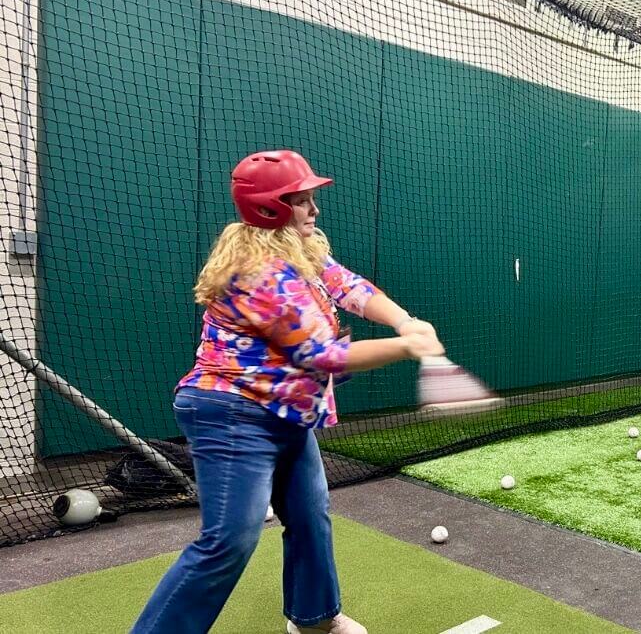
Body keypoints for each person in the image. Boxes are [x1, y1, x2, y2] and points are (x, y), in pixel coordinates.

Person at [133, 150, 443, 634]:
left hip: (284, 412)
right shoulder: (261, 273)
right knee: (229, 540)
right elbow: (324, 356)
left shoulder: (302, 250)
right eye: (302, 201)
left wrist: (403, 319)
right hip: (233, 411)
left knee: (308, 512)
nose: (314, 210)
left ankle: (315, 617)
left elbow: (350, 286)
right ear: (270, 209)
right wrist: (404, 347)